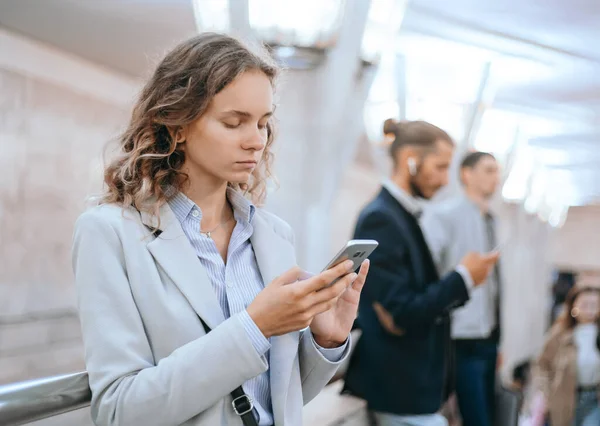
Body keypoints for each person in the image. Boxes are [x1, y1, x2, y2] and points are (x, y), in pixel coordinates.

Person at [72, 33, 370, 426]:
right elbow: (120, 410)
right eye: (234, 122)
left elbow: (279, 400)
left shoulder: (274, 236)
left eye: (264, 124)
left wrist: (325, 340)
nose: (256, 142)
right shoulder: (109, 233)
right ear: (177, 125)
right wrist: (256, 326)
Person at [343, 120, 499, 426]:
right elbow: (400, 313)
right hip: (399, 388)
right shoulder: (381, 219)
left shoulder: (402, 215)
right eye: (440, 167)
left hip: (414, 390)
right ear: (409, 160)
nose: (444, 180)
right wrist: (463, 278)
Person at [420, 151, 502, 426]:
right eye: (489, 170)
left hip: (487, 335)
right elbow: (426, 271)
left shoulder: (491, 220)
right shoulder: (444, 215)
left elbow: (495, 287)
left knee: (490, 413)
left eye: (497, 171)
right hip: (457, 336)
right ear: (467, 174)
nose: (496, 177)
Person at [531, 285, 600, 426]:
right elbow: (541, 364)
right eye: (585, 304)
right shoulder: (560, 333)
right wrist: (546, 391)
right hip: (564, 398)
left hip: (594, 399)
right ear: (574, 306)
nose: (590, 309)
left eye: (594, 305)